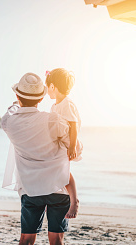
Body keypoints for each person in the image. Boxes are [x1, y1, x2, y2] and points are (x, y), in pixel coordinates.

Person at [1, 72, 78, 245]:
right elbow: (74, 147)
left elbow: (10, 112)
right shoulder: (52, 120)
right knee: (56, 239)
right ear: (42, 98)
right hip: (57, 187)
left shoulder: (9, 123)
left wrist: (16, 104)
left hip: (30, 189)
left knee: (26, 239)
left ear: (18, 97)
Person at [46, 68, 83, 219]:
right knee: (59, 170)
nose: (46, 90)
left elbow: (73, 126)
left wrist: (72, 146)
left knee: (65, 171)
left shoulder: (67, 103)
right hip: (60, 142)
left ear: (53, 86)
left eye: (47, 86)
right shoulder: (55, 105)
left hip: (68, 143)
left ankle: (74, 201)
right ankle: (57, 194)